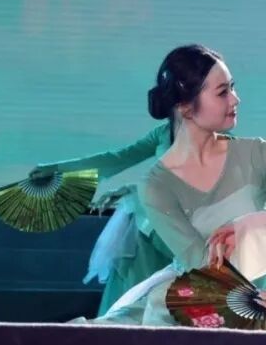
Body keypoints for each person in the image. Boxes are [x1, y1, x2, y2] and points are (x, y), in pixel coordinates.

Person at [87, 44, 266, 328]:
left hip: (257, 298)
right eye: (222, 92)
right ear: (185, 106)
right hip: (201, 305)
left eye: (232, 88)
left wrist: (246, 224)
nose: (236, 99)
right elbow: (200, 264)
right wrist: (247, 298)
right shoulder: (156, 185)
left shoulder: (258, 153)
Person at [28, 124, 173, 314]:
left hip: (194, 220)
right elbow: (119, 158)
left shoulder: (211, 133)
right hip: (155, 218)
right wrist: (57, 168)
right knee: (139, 277)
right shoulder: (164, 132)